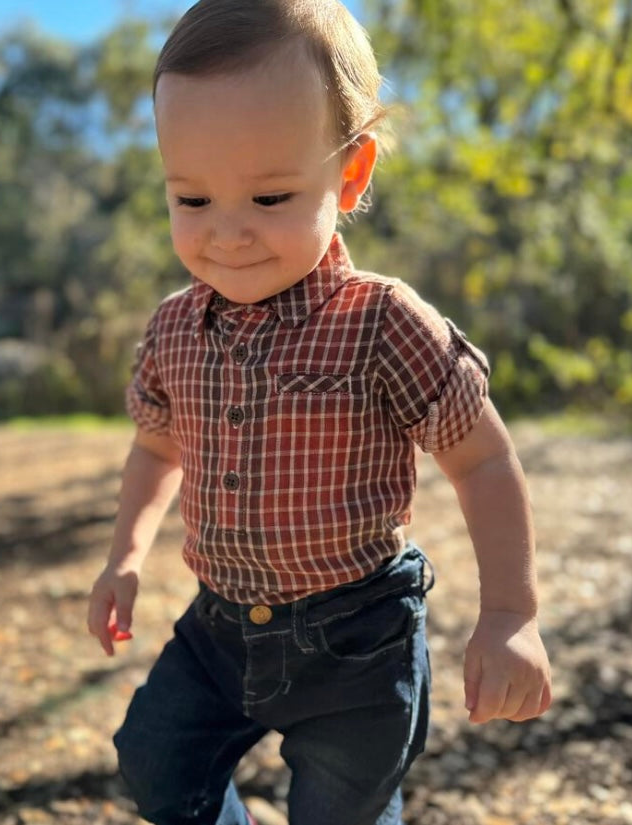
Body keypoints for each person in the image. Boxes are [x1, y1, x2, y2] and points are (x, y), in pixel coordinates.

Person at [87, 1, 553, 823]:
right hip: (220, 628)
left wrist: (510, 613)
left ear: (351, 174)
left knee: (345, 810)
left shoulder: (382, 323)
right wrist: (125, 555)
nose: (227, 232)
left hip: (358, 641)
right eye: (191, 199)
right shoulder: (173, 328)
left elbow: (481, 459)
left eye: (269, 196)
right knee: (157, 761)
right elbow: (156, 449)